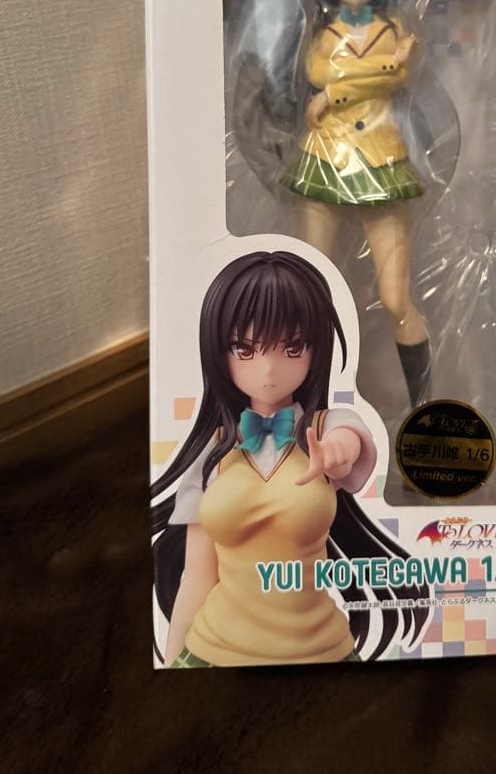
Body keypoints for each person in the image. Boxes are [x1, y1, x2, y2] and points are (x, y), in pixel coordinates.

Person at [151, 250, 428, 666]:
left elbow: (350, 438)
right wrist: (172, 668)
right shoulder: (213, 452)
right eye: (244, 349)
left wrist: (337, 452)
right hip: (212, 649)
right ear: (218, 352)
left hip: (321, 647)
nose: (268, 369)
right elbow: (197, 575)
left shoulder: (324, 427)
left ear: (316, 349)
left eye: (292, 347)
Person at [280, 0, 431, 406]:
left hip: (382, 161)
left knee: (396, 297)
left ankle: (423, 409)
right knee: (312, 287)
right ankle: (312, 402)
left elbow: (390, 80)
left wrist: (335, 93)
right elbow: (320, 71)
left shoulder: (394, 29)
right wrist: (380, 66)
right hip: (326, 156)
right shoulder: (324, 33)